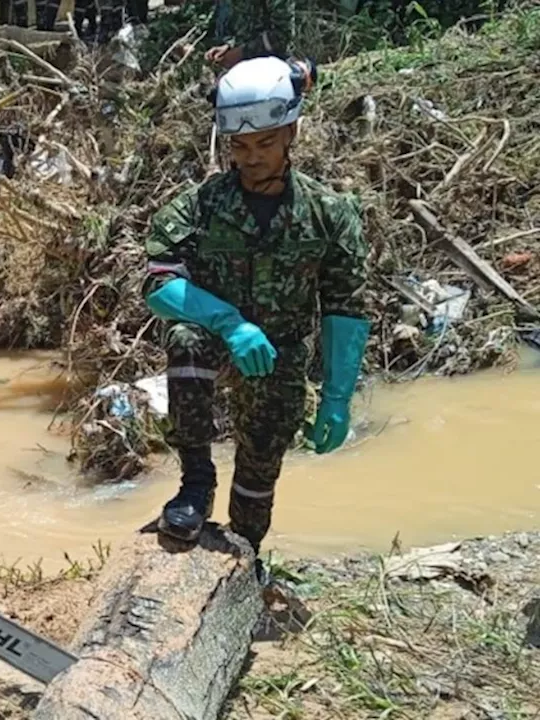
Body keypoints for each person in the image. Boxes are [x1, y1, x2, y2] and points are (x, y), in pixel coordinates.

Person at [141, 56, 370, 574]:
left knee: (259, 471)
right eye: (239, 146)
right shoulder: (199, 206)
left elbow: (346, 306)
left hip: (282, 354)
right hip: (220, 341)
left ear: (291, 133)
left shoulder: (329, 212)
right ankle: (195, 482)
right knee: (187, 339)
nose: (251, 158)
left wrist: (336, 399)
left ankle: (244, 556)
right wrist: (229, 322)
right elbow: (157, 283)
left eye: (265, 144)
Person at [206, 0, 296, 69]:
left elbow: (282, 37)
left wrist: (242, 52)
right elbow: (248, 27)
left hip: (273, 70)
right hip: (242, 69)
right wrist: (229, 46)